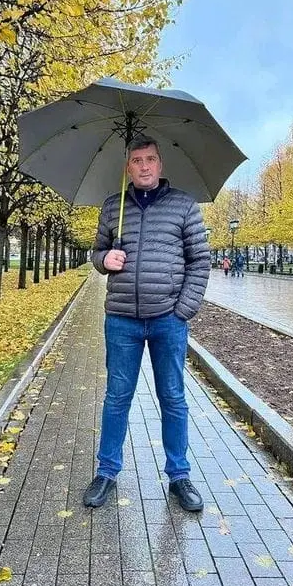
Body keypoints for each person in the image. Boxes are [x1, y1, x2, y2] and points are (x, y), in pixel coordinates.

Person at [84, 134, 211, 512]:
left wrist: (183, 309)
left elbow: (200, 261)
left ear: (160, 164)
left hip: (167, 320)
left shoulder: (184, 206)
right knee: (116, 398)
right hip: (121, 319)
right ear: (128, 167)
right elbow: (97, 252)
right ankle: (106, 472)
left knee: (172, 397)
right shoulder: (113, 208)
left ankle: (179, 475)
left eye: (150, 159)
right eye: (137, 160)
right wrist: (104, 260)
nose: (144, 166)